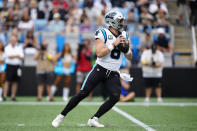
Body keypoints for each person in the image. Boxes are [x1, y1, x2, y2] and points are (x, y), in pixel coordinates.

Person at [52, 10, 132, 128]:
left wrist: (127, 48)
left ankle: (94, 119)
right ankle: (61, 115)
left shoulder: (124, 35)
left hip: (113, 72)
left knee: (115, 97)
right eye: (120, 21)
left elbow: (129, 57)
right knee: (83, 93)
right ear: (112, 22)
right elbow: (99, 53)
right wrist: (113, 44)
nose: (122, 23)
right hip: (100, 69)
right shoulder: (103, 32)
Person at [3, 36, 24, 101]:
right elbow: (9, 56)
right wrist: (17, 56)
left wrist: (15, 56)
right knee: (7, 81)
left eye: (14, 41)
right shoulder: (7, 48)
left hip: (17, 66)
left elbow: (22, 57)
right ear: (10, 41)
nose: (13, 42)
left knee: (15, 82)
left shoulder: (19, 47)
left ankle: (13, 96)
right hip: (9, 66)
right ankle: (4, 96)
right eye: (12, 40)